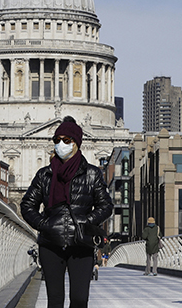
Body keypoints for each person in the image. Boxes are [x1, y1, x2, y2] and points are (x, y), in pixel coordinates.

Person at [21, 116, 113, 308]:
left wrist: (85, 222)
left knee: (80, 299)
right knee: (55, 300)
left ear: (77, 144)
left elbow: (106, 206)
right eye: (57, 140)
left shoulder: (92, 174)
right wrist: (44, 225)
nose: (61, 144)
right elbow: (27, 205)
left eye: (66, 140)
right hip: (50, 243)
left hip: (81, 243)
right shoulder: (45, 174)